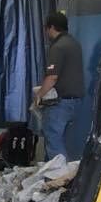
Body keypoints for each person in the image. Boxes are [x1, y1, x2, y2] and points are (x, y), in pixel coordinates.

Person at [33, 11, 85, 161]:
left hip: (60, 103)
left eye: (46, 28)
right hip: (76, 101)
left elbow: (52, 77)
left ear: (51, 27)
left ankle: (59, 178)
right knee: (60, 140)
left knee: (53, 140)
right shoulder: (74, 43)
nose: (45, 32)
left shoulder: (58, 47)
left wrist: (39, 95)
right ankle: (52, 176)